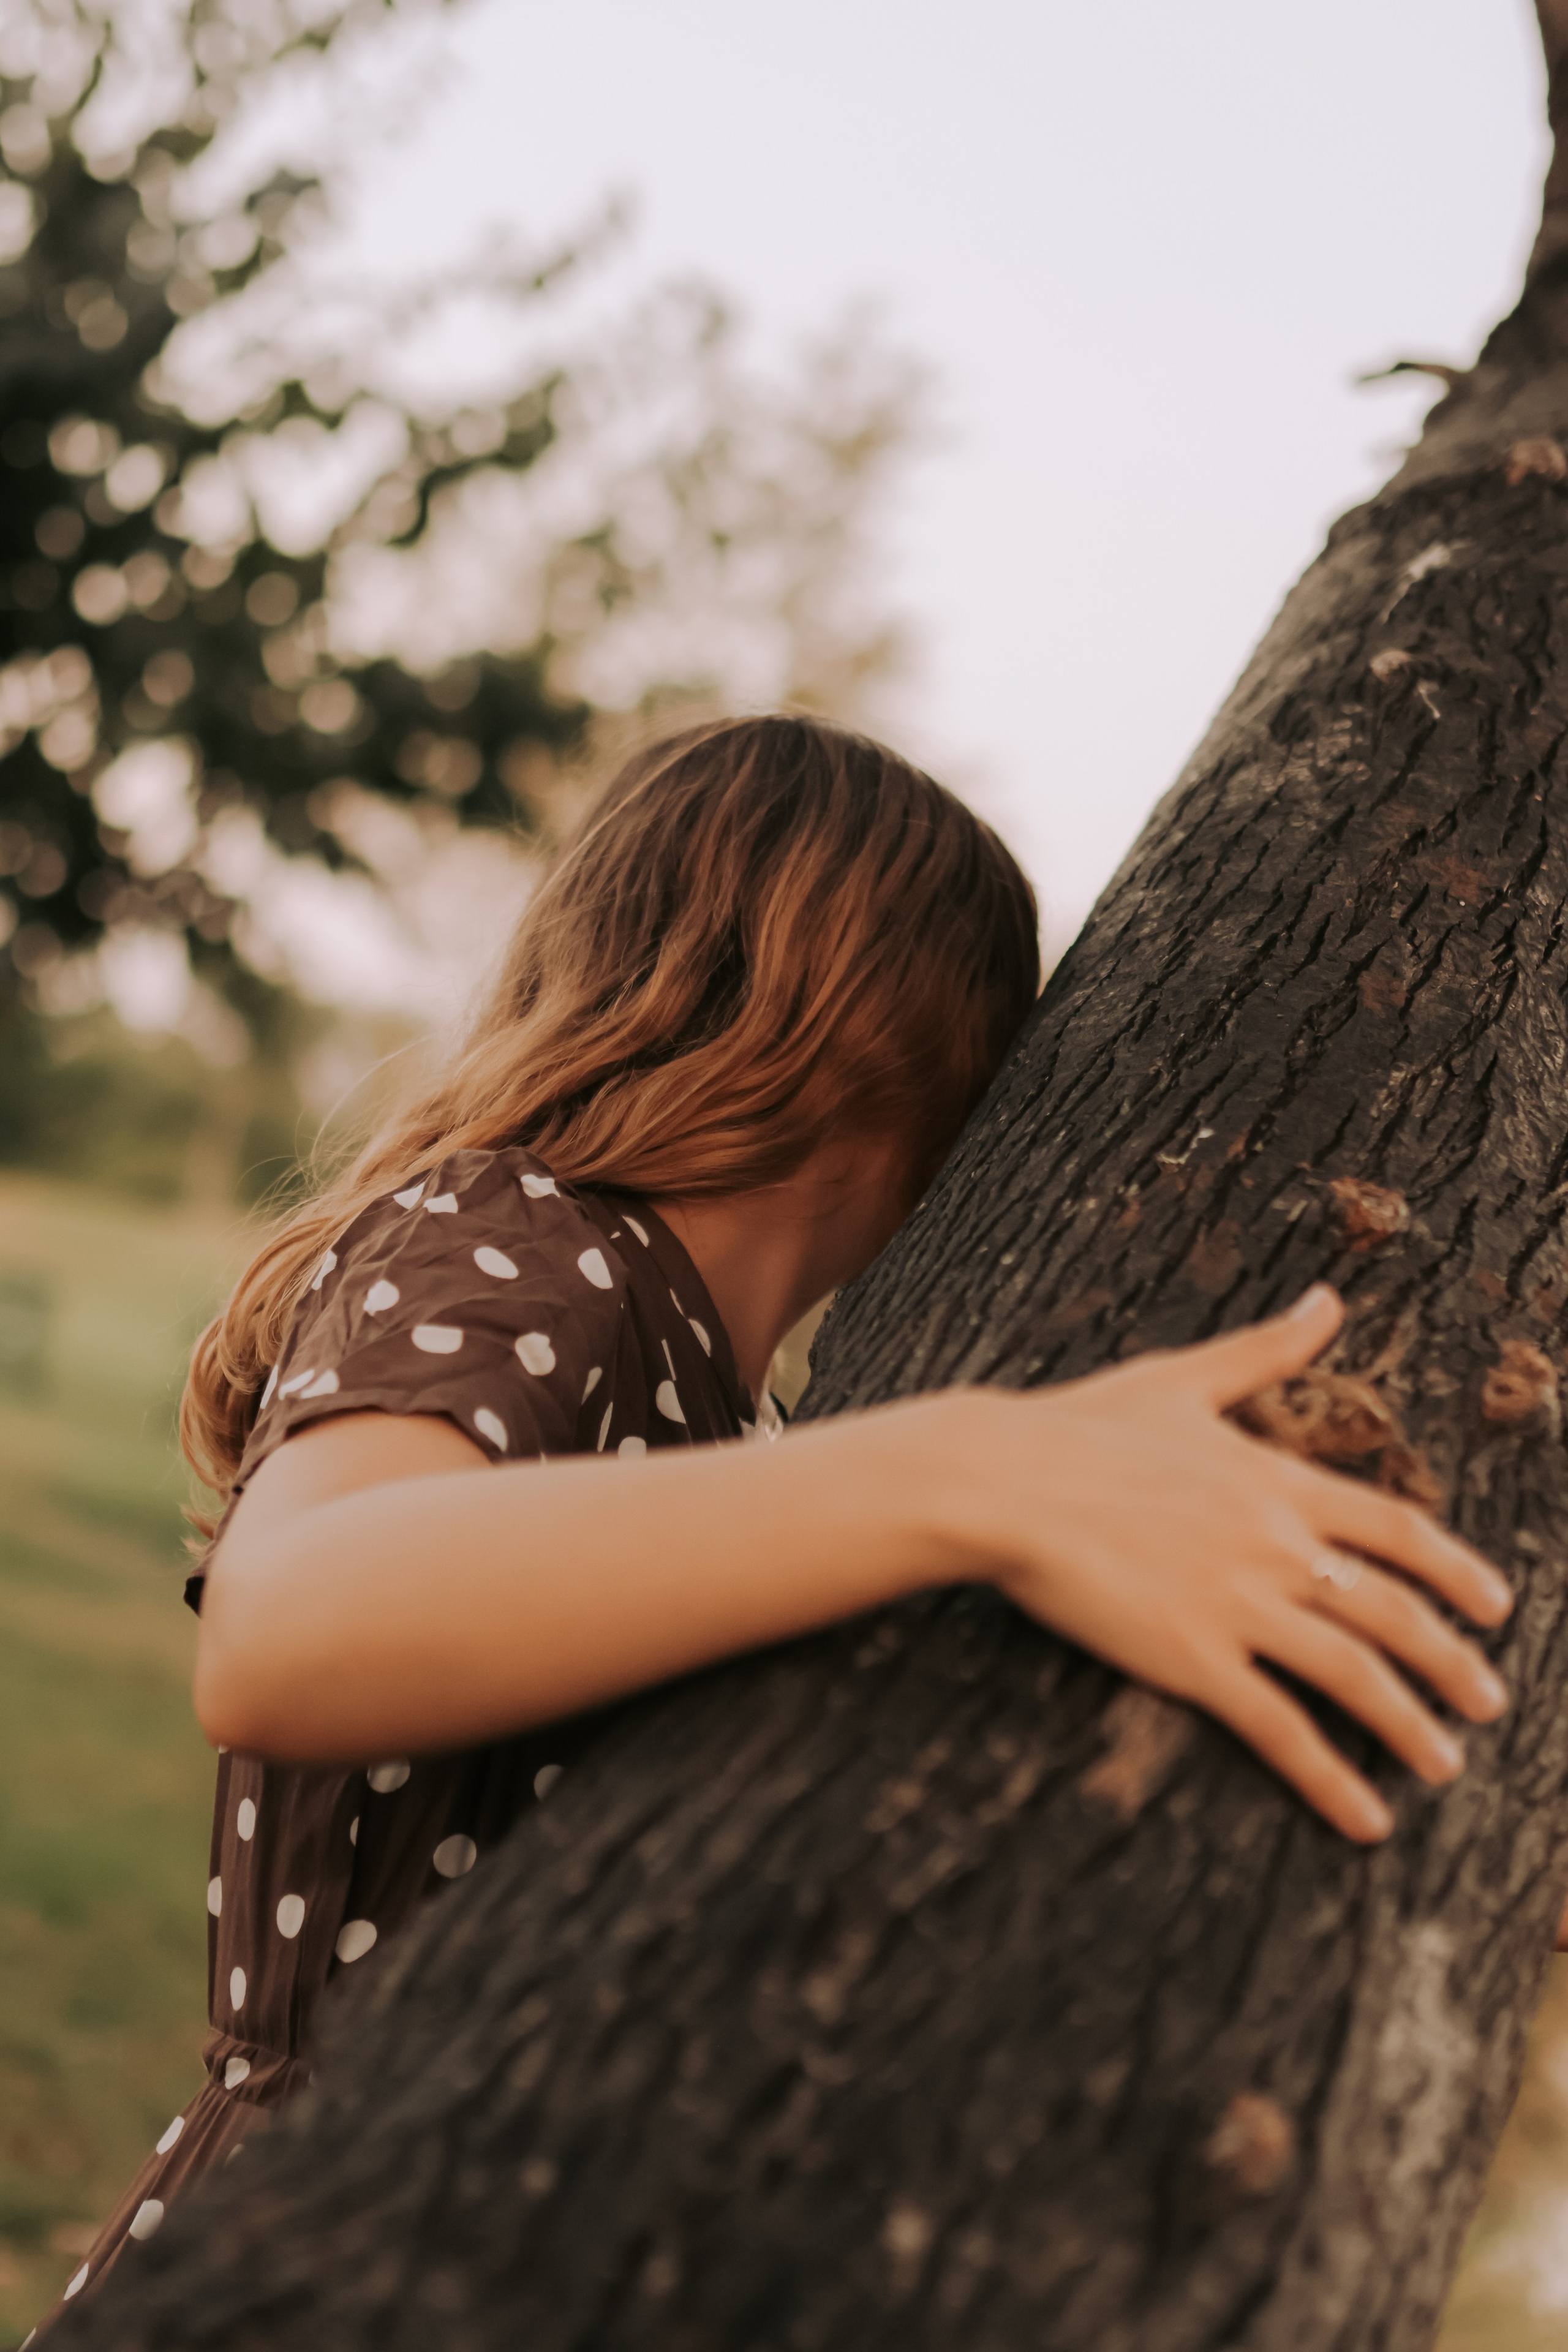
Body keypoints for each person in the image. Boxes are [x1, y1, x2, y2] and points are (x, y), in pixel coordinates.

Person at [37, 712, 1512, 2326]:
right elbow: (291, 1626)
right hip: (330, 2244)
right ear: (943, 1084)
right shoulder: (529, 1239)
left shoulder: (735, 1417)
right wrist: (978, 1469)